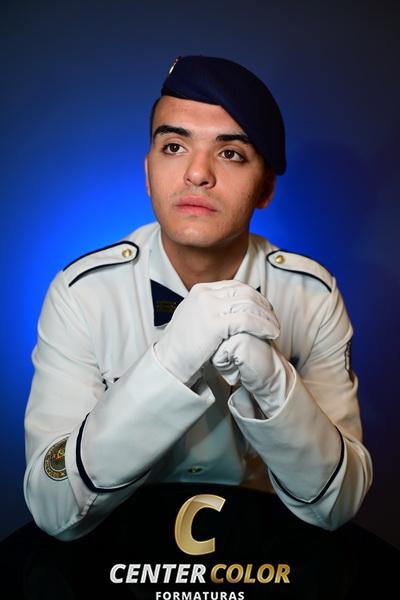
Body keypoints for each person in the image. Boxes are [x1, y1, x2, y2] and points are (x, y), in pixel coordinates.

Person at [23, 55, 373, 542]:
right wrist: (166, 366)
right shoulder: (82, 294)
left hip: (262, 557)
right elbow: (53, 505)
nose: (197, 173)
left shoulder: (312, 296)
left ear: (266, 187)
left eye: (230, 153)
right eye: (174, 146)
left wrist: (278, 389)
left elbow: (339, 505)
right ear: (149, 172)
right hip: (117, 556)